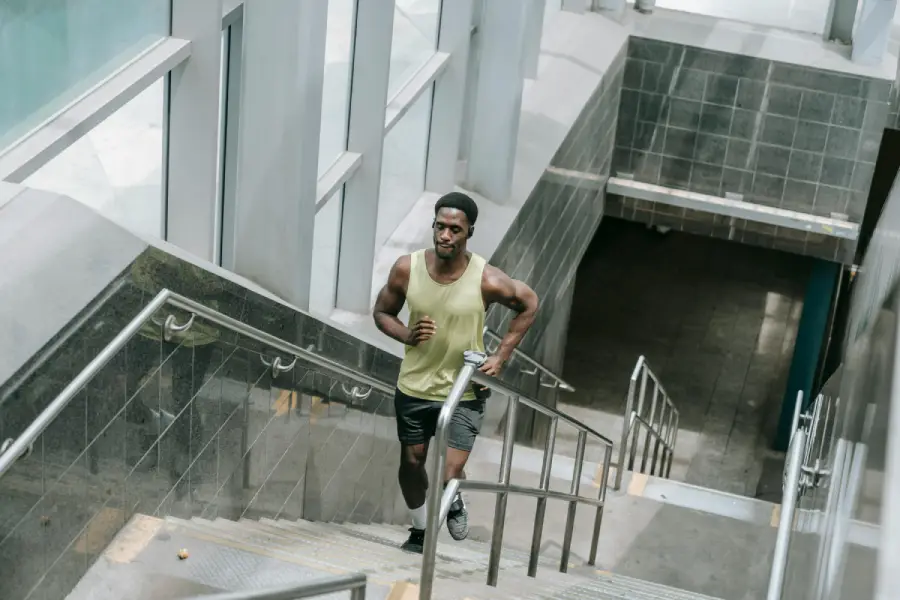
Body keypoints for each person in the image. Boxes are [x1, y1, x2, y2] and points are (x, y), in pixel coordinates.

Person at [372, 192, 539, 553]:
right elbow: (382, 312)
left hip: (464, 390)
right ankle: (420, 529)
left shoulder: (487, 279)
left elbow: (529, 303)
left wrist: (502, 354)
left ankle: (454, 494)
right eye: (440, 226)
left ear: (469, 233)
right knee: (411, 462)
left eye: (455, 229)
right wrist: (406, 334)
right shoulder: (407, 268)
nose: (446, 235)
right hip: (415, 386)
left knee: (450, 471)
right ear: (434, 227)